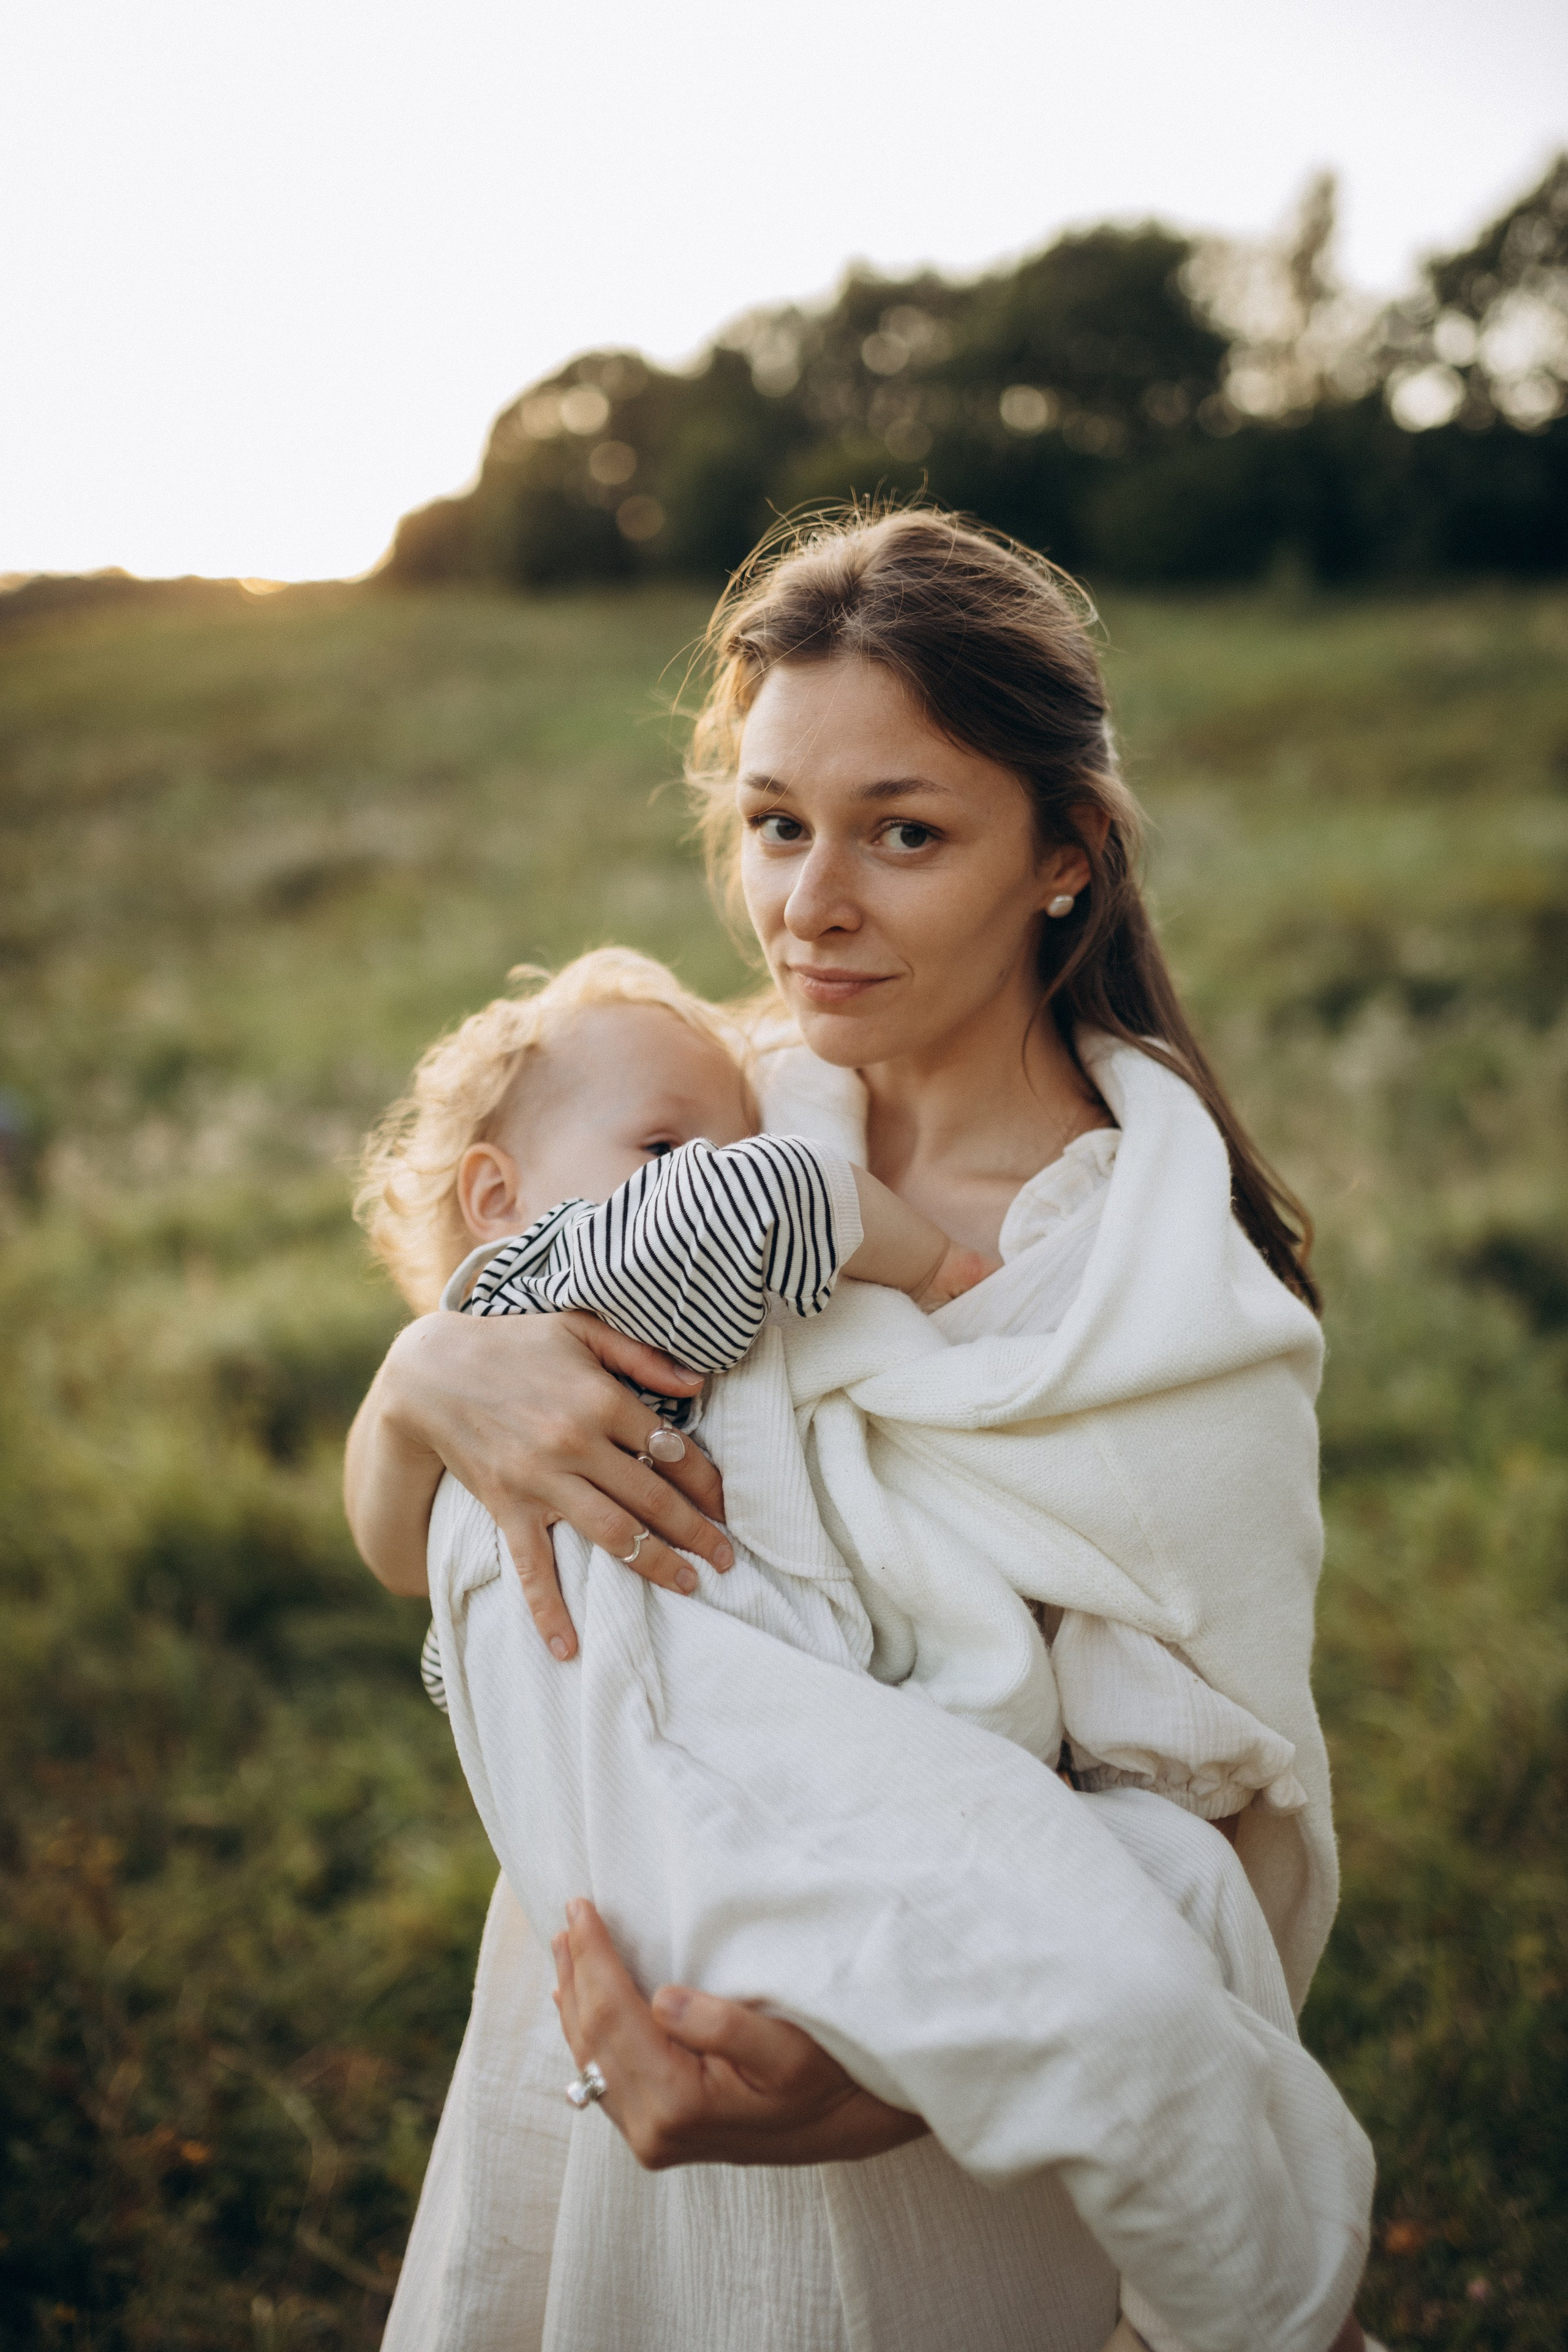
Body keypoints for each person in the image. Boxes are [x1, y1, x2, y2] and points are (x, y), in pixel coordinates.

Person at [346, 509, 1371, 2352]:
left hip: (945, 2116)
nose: (809, 908)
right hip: (619, 1981)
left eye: (905, 833)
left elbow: (1168, 1836)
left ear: (1063, 855)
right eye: (774, 823)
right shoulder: (724, 1113)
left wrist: (858, 2086)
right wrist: (422, 1382)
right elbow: (425, 1544)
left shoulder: (1156, 1295)